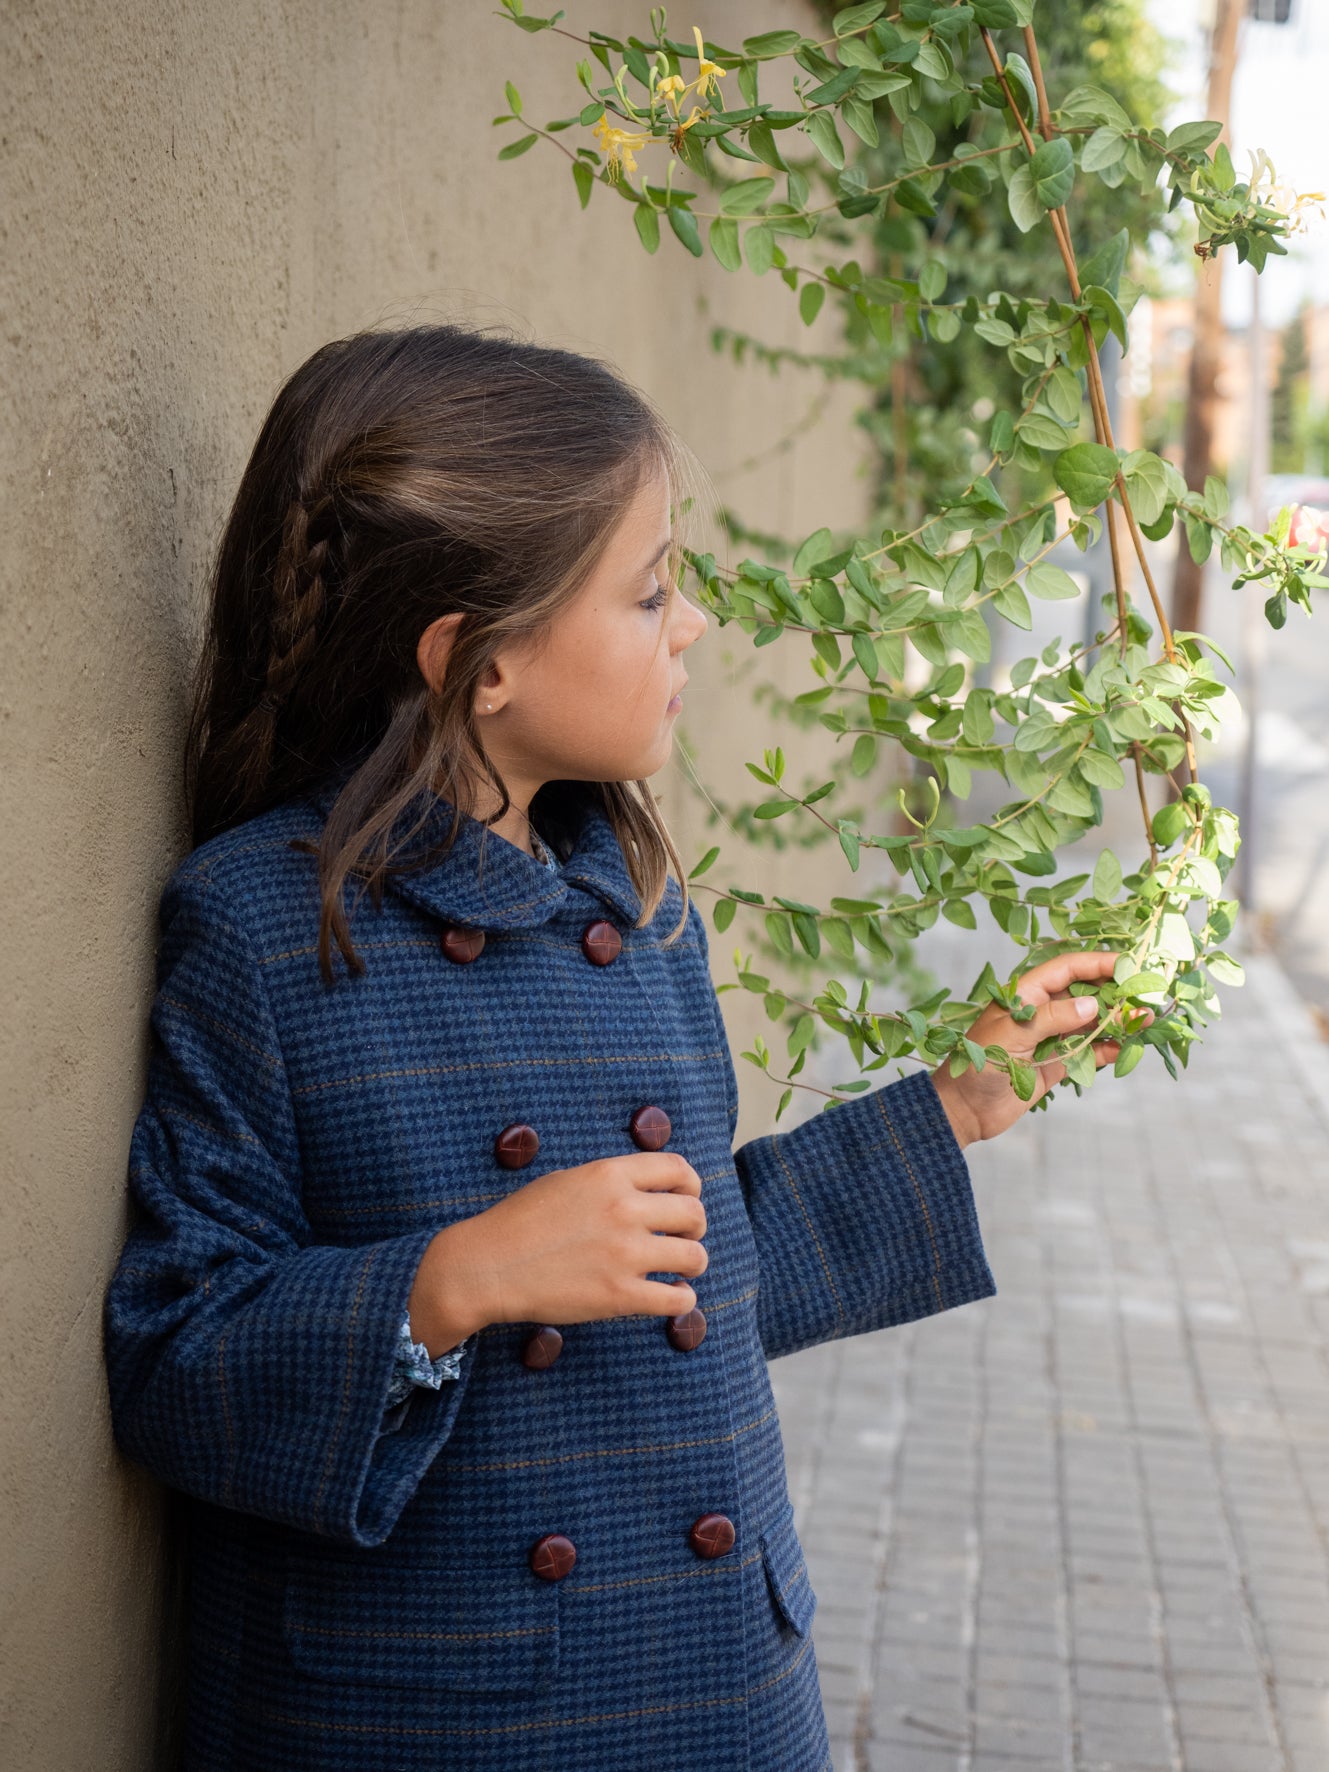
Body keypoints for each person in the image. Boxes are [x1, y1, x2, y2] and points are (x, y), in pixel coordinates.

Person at [103, 322, 1134, 1771]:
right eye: (649, 593)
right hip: (440, 1709)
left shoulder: (633, 903)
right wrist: (457, 1280)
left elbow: (681, 1278)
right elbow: (174, 1356)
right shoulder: (266, 928)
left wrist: (951, 1106)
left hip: (711, 1681)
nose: (694, 624)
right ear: (478, 664)